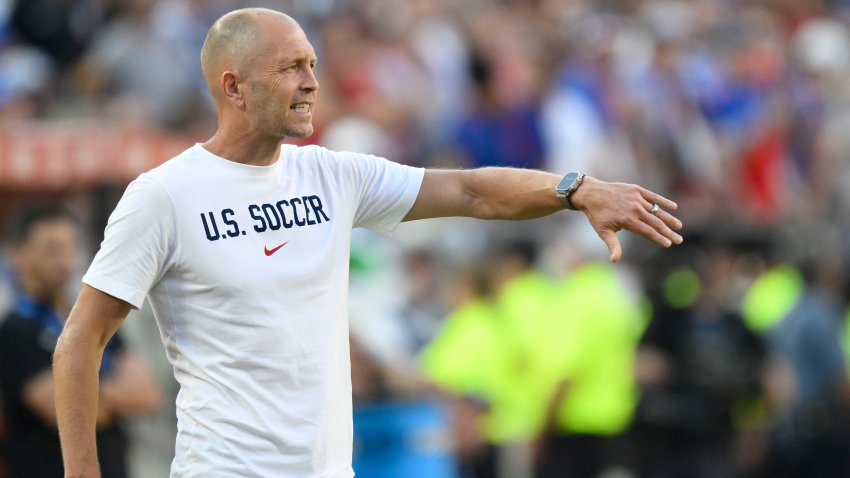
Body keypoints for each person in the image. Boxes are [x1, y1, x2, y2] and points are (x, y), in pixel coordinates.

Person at [53, 8, 683, 478]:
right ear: (233, 86)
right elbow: (81, 339)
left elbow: (468, 191)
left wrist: (575, 189)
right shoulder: (164, 195)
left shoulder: (332, 175)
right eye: (290, 68)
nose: (310, 82)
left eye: (312, 65)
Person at [0, 205, 161, 478]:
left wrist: (76, 389)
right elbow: (56, 410)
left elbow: (147, 394)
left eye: (69, 248)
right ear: (19, 256)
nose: (64, 262)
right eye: (51, 250)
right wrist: (110, 392)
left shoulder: (90, 320)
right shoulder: (13, 333)